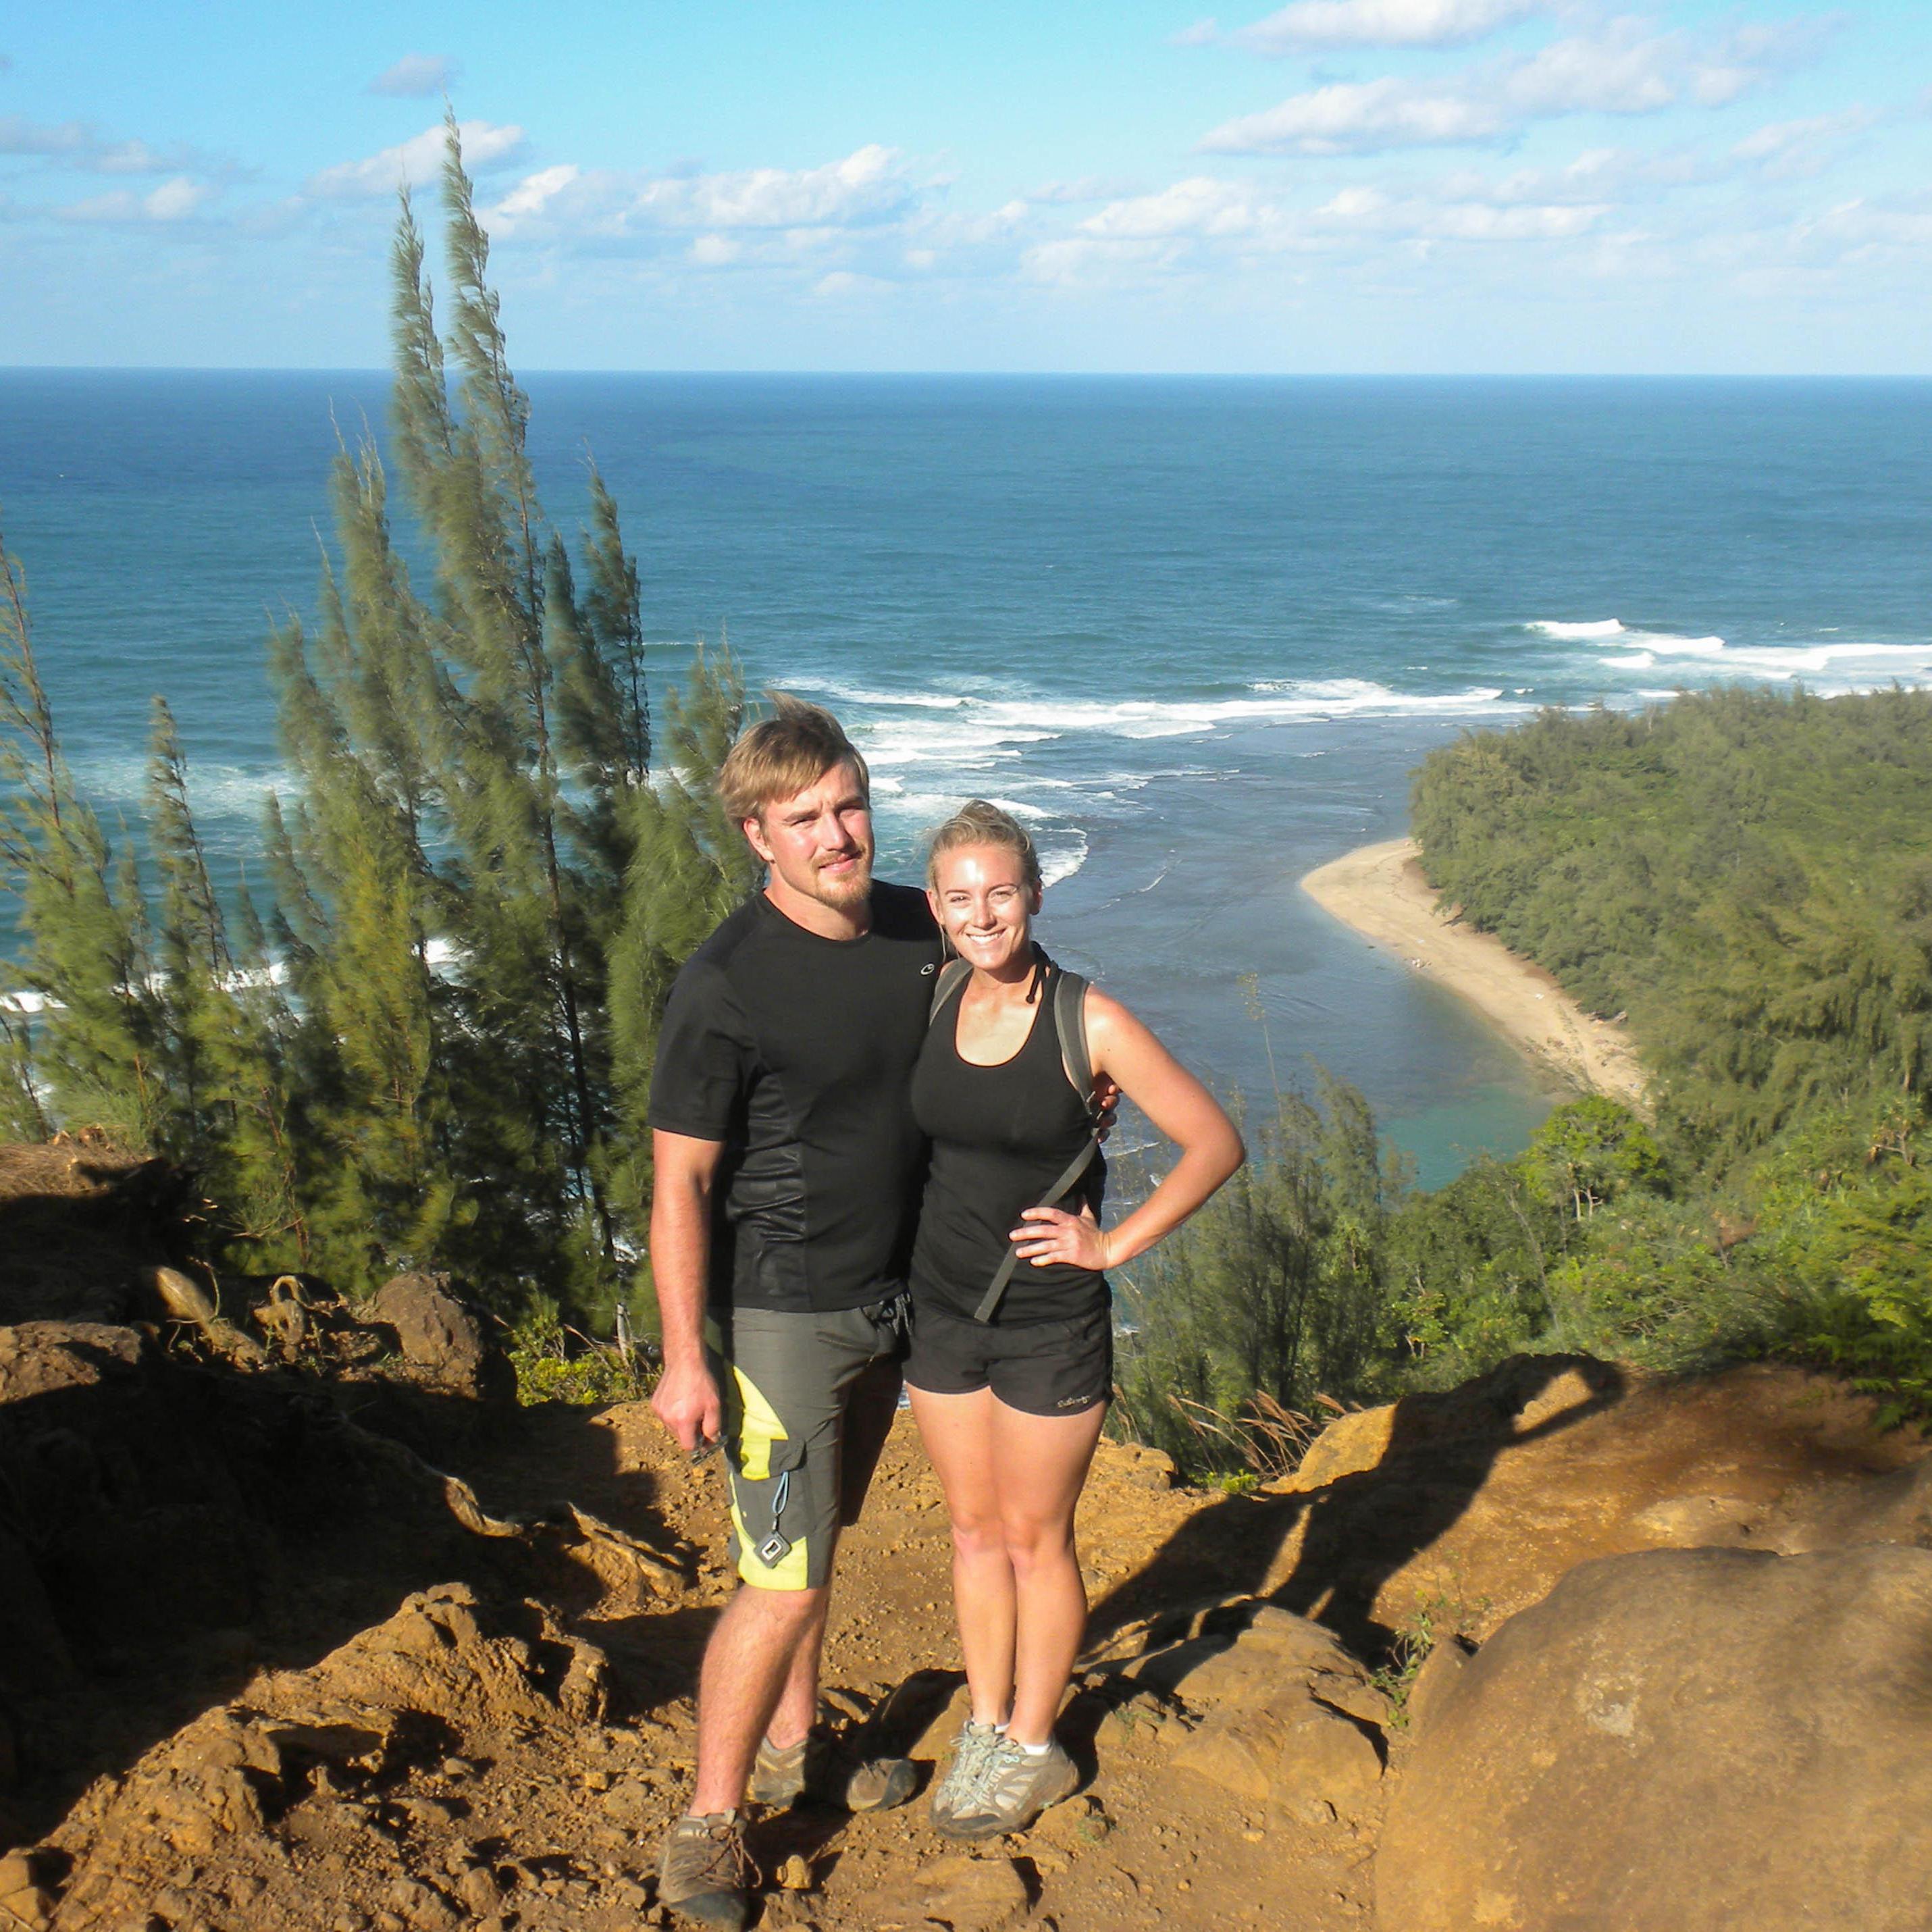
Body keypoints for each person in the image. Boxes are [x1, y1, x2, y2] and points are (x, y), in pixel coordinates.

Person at [646, 698, 937, 1930]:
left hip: (897, 1301)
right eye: (805, 817)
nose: (838, 833)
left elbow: (995, 1040)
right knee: (779, 1571)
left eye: (850, 803)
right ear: (758, 835)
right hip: (784, 1316)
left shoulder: (921, 925)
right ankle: (710, 1824)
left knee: (816, 1549)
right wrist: (682, 1359)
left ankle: (799, 1747)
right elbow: (680, 1183)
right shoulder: (726, 985)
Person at [906, 800, 1243, 1840]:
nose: (981, 913)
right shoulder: (931, 992)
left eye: (1000, 891)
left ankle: (1034, 1743)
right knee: (971, 1533)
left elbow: (1212, 1142)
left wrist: (1113, 1243)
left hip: (1048, 1316)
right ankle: (987, 1718)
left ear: (1034, 894)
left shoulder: (1087, 1019)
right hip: (941, 1306)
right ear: (935, 906)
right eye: (959, 896)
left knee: (1033, 1536)